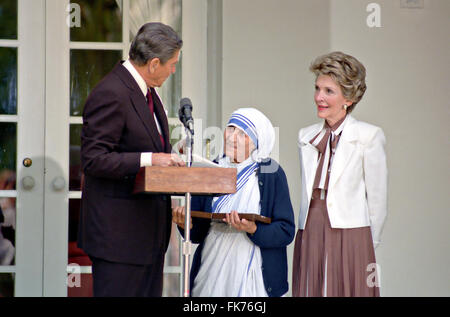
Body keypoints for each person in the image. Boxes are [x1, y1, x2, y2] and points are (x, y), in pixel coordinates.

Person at [78, 22, 185, 297]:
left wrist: (171, 156)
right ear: (153, 63)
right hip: (119, 241)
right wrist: (151, 158)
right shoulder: (111, 92)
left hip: (147, 239)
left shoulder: (147, 92)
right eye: (172, 64)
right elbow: (94, 159)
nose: (173, 71)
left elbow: (144, 144)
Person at [292, 51, 387, 297]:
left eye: (328, 91)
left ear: (349, 98)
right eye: (317, 88)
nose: (318, 97)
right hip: (310, 225)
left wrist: (368, 243)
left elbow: (377, 200)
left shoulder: (369, 136)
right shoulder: (305, 136)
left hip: (353, 230)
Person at [173, 108, 295, 297]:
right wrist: (184, 223)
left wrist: (253, 229)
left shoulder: (272, 174)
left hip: (255, 275)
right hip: (212, 270)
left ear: (257, 143)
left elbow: (286, 231)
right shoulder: (210, 169)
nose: (232, 137)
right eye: (231, 128)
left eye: (243, 134)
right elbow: (197, 234)